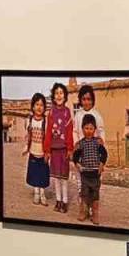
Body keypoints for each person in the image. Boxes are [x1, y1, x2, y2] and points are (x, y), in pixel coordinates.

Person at [72, 114, 108, 224]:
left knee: (95, 195)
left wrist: (102, 164)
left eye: (91, 128)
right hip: (85, 174)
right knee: (84, 195)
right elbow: (75, 157)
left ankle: (95, 214)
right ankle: (83, 212)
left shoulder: (97, 142)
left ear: (94, 129)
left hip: (95, 174)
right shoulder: (80, 144)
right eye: (86, 128)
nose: (88, 131)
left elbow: (104, 154)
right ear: (82, 129)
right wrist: (77, 164)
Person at [45, 82, 75, 213]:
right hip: (54, 150)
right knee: (56, 177)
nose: (59, 95)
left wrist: (70, 148)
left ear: (65, 96)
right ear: (53, 96)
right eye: (56, 93)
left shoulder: (67, 112)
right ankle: (58, 201)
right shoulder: (51, 113)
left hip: (64, 150)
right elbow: (48, 132)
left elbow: (69, 131)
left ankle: (65, 201)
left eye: (61, 93)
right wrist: (47, 150)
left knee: (64, 178)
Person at [22, 92, 51, 206]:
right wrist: (26, 147)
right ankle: (36, 193)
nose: (39, 107)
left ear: (44, 107)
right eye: (37, 104)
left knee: (43, 174)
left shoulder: (46, 121)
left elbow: (49, 137)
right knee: (34, 173)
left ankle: (42, 193)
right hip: (33, 151)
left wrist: (48, 152)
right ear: (33, 106)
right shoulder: (29, 121)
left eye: (41, 105)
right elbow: (27, 136)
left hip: (43, 152)